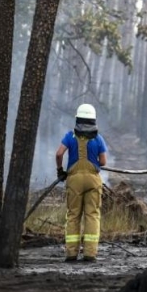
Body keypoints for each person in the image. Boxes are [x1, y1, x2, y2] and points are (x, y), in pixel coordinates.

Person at [55, 104, 108, 262]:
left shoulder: (70, 136)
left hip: (74, 180)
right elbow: (103, 162)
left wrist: (60, 170)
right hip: (93, 180)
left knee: (73, 216)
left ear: (77, 118)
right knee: (92, 215)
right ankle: (90, 254)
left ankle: (71, 253)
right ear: (93, 120)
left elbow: (59, 154)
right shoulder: (98, 138)